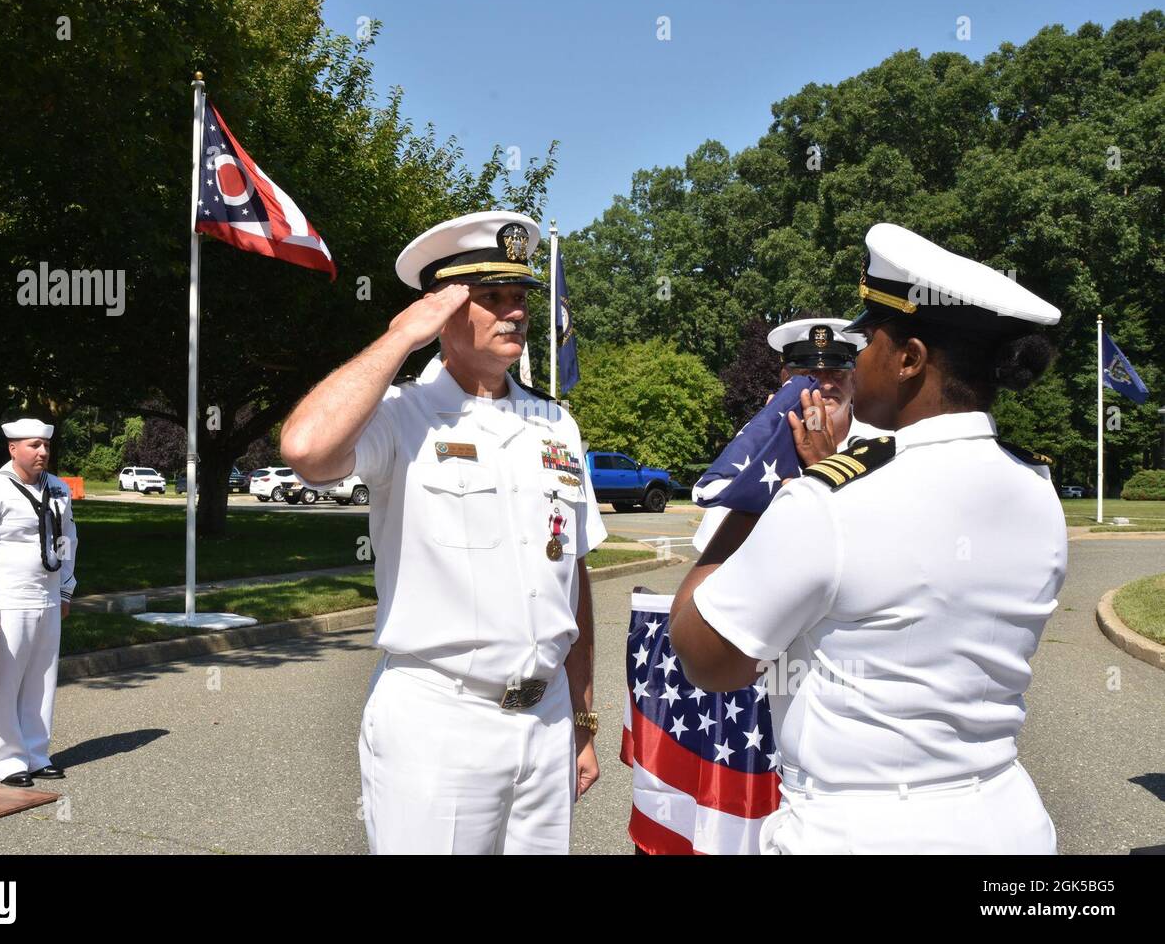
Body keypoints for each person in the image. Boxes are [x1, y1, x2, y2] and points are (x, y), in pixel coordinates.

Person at [669, 222, 1066, 854]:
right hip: (1008, 819)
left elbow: (705, 658)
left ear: (908, 359)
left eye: (868, 341)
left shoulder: (830, 502)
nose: (854, 362)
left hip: (864, 830)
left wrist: (745, 507)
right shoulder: (1037, 489)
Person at [280, 211, 608, 854]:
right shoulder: (402, 415)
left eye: (519, 298)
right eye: (491, 299)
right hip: (440, 721)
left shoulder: (554, 425)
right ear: (445, 310)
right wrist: (400, 337)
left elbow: (573, 575)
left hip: (546, 723)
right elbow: (306, 447)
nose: (514, 312)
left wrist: (583, 717)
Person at [692, 317, 889, 553]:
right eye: (811, 374)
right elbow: (715, 558)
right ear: (786, 379)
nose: (825, 385)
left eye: (836, 372)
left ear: (853, 378)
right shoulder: (756, 449)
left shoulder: (884, 445)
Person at [0, 418, 78, 787]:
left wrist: (64, 588)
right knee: (7, 682)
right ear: (13, 449)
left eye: (45, 445)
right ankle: (9, 761)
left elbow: (67, 540)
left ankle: (37, 753)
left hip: (47, 597)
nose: (42, 452)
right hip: (9, 601)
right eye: (33, 445)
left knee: (43, 680)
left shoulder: (59, 489)